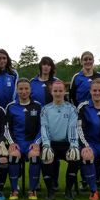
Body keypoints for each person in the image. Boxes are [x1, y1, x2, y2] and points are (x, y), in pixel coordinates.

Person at [69, 51, 100, 192]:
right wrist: (77, 111)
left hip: (98, 113)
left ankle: (97, 180)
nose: (88, 62)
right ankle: (84, 180)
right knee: (85, 145)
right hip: (82, 114)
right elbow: (72, 96)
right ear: (81, 61)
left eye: (90, 59)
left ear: (93, 61)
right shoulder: (77, 77)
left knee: (98, 143)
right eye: (85, 59)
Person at [30, 56, 66, 190]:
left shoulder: (56, 82)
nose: (46, 67)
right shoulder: (32, 82)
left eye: (49, 65)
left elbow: (64, 101)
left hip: (54, 123)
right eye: (44, 64)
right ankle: (37, 181)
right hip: (36, 122)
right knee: (38, 150)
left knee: (54, 152)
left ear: (51, 67)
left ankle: (54, 181)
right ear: (40, 66)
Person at [40, 81, 80, 200]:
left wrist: (73, 145)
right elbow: (44, 127)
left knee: (74, 157)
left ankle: (68, 191)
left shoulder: (71, 109)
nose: (58, 93)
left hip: (66, 144)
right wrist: (46, 145)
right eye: (55, 91)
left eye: (60, 91)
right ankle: (50, 192)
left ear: (64, 92)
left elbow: (73, 128)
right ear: (51, 92)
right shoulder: (45, 109)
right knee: (46, 157)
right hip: (51, 143)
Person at [6, 78, 42, 200]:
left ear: (30, 90)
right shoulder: (10, 106)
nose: (24, 91)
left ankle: (32, 190)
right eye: (21, 89)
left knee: (35, 156)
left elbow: (42, 127)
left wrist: (36, 142)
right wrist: (12, 143)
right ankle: (14, 189)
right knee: (13, 157)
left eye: (26, 88)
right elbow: (7, 127)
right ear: (17, 90)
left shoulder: (37, 106)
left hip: (32, 142)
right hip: (18, 143)